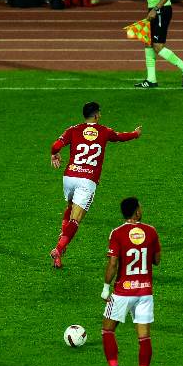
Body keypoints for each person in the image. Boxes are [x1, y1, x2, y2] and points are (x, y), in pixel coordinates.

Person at [49, 102, 142, 268]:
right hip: (87, 180)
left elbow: (55, 146)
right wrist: (135, 134)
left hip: (70, 176)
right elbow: (120, 137)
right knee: (75, 220)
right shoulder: (104, 131)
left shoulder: (73, 129)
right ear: (97, 115)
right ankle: (58, 249)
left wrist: (54, 154)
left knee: (70, 207)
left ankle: (61, 245)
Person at [99, 197, 161, 366]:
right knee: (144, 337)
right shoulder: (151, 231)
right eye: (140, 207)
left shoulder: (117, 233)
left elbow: (113, 263)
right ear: (137, 212)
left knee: (107, 331)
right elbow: (157, 260)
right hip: (145, 291)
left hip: (122, 292)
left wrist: (105, 288)